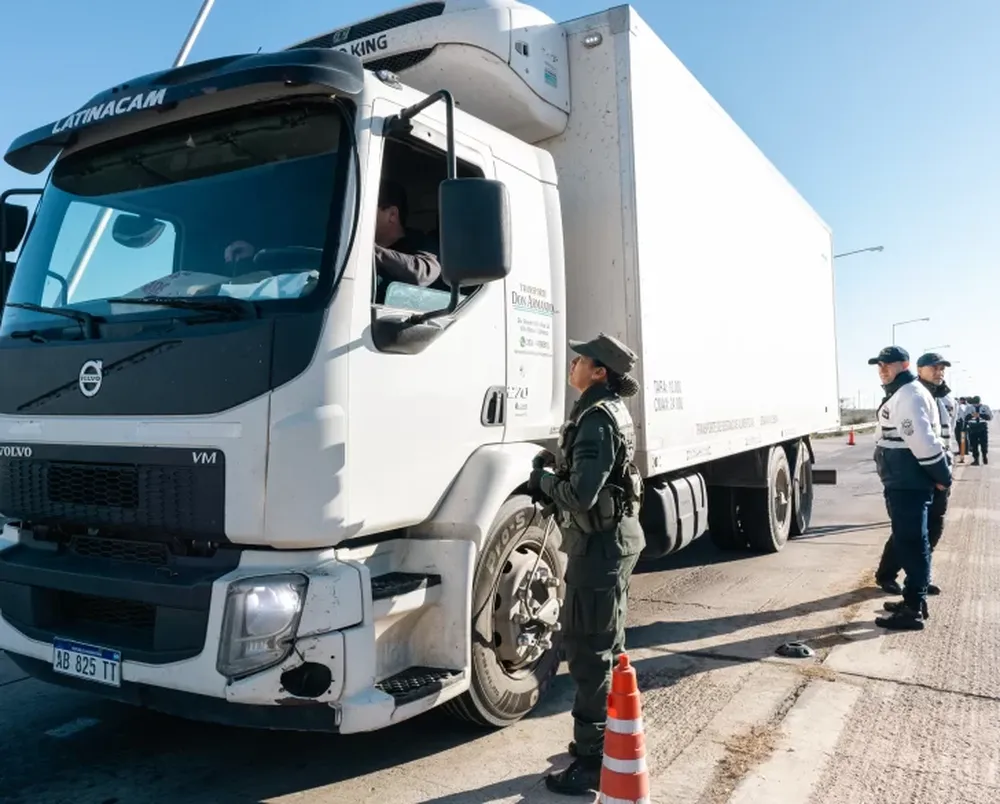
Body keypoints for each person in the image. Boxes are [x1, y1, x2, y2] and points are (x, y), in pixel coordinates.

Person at [528, 332, 646, 797]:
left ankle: (592, 758)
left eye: (581, 360)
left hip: (599, 548)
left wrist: (542, 480)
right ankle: (612, 737)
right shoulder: (603, 411)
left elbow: (580, 495)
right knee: (609, 645)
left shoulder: (596, 418)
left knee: (588, 651)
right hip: (611, 542)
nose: (572, 364)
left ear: (599, 372)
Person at [868, 346, 952, 630]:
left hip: (908, 483)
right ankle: (912, 599)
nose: (882, 369)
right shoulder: (904, 393)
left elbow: (923, 442)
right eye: (879, 365)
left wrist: (942, 475)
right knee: (911, 541)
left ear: (904, 365)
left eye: (888, 364)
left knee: (913, 544)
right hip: (903, 481)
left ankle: (913, 609)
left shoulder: (909, 395)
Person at [372, 180, 443, 303]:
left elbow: (422, 273)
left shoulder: (422, 243)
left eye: (367, 210)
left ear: (392, 214)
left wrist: (369, 251)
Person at [964, 395, 992, 465]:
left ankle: (984, 456)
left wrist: (980, 415)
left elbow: (989, 417)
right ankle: (976, 460)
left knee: (984, 443)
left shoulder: (985, 407)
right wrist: (972, 415)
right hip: (973, 427)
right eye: (974, 403)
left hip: (982, 427)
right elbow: (965, 417)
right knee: (974, 444)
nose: (976, 404)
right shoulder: (969, 408)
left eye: (977, 403)